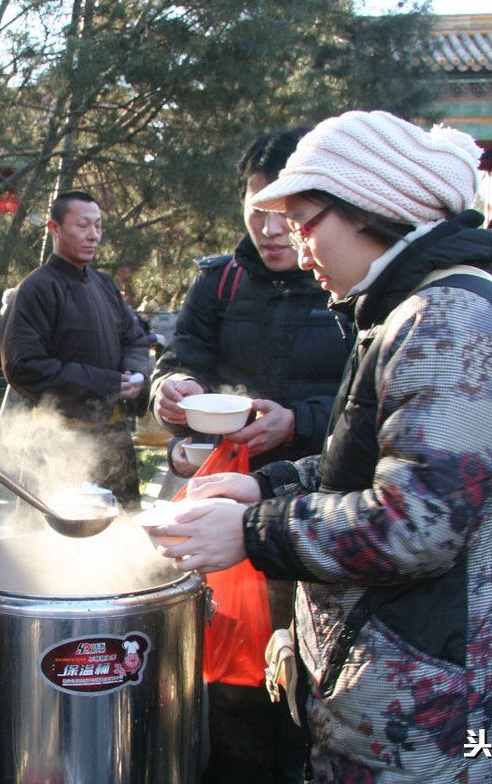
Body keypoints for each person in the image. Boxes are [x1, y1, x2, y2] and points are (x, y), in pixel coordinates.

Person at [143, 111, 492, 784]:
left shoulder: (448, 319)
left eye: (304, 221)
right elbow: (383, 460)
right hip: (424, 687)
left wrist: (254, 530)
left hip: (449, 713)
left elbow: (417, 522)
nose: (293, 241)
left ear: (368, 208)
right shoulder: (408, 307)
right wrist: (267, 485)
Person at [150, 128, 352, 784]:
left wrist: (301, 421)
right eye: (255, 208)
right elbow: (183, 359)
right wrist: (169, 391)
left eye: (283, 213)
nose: (269, 228)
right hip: (227, 498)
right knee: (226, 672)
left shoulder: (342, 284)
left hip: (315, 503)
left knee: (307, 676)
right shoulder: (221, 282)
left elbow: (365, 403)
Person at [0, 190, 151, 508]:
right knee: (56, 546)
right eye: (83, 225)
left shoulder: (105, 285)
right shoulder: (36, 289)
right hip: (61, 441)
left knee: (123, 541)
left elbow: (135, 338)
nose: (93, 235)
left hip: (114, 439)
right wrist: (108, 383)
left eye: (98, 226)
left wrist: (137, 375)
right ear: (53, 228)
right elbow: (23, 365)